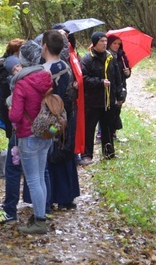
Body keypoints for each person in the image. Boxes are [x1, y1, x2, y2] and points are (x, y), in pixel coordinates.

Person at [8, 54, 54, 234]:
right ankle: (40, 215)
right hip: (46, 134)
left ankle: (40, 221)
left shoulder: (22, 84)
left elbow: (15, 116)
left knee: (33, 180)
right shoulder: (46, 78)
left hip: (28, 136)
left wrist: (10, 107)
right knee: (40, 177)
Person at [0, 46, 25, 225]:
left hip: (19, 133)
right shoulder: (40, 76)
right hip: (36, 133)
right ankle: (42, 214)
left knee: (13, 170)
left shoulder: (13, 82)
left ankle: (10, 211)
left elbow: (10, 113)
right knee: (38, 173)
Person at [42, 30, 80, 211]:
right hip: (66, 117)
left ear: (45, 46)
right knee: (64, 154)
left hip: (50, 120)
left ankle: (47, 198)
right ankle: (66, 196)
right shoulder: (66, 66)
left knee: (49, 156)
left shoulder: (43, 70)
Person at [80, 31, 122, 164]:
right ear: (94, 43)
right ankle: (87, 155)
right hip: (92, 101)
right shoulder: (87, 59)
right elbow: (84, 79)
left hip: (108, 101)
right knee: (89, 128)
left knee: (108, 128)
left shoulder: (110, 57)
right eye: (101, 41)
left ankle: (109, 153)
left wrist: (119, 94)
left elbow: (116, 77)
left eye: (105, 41)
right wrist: (99, 82)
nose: (104, 44)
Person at [107, 34, 131, 138]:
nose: (116, 46)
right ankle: (102, 133)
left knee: (118, 108)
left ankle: (113, 132)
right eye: (114, 43)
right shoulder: (106, 55)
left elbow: (128, 71)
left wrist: (127, 72)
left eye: (118, 44)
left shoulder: (122, 56)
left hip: (120, 85)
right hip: (108, 86)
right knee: (107, 110)